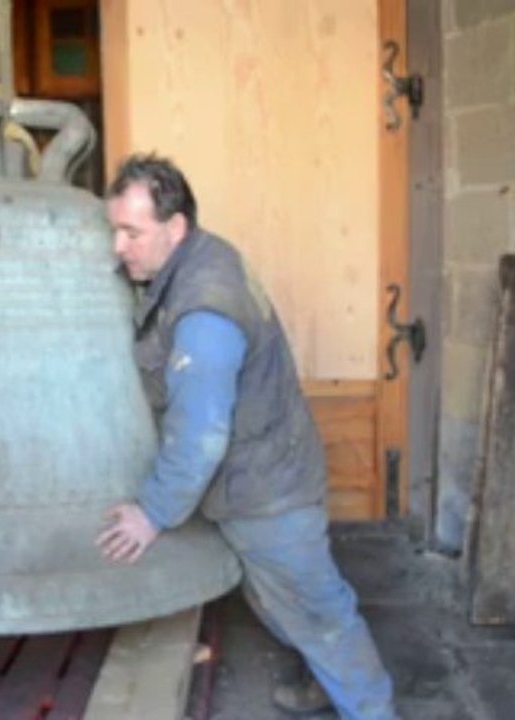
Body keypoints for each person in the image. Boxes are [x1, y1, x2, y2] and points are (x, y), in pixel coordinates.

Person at [95, 153, 398, 719]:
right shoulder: (201, 258)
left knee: (319, 612)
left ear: (175, 227)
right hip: (263, 475)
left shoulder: (204, 311)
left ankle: (373, 710)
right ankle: (325, 683)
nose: (118, 247)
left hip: (267, 493)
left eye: (131, 233)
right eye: (116, 231)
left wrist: (152, 513)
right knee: (280, 602)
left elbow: (200, 436)